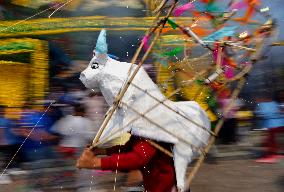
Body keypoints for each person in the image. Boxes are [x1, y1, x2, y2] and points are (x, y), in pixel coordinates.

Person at [77, 135, 180, 192]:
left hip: (166, 186)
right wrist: (101, 151)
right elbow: (128, 149)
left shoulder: (149, 131)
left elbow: (137, 158)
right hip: (153, 185)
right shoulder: (139, 131)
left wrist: (95, 162)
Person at [255, 97, 284, 163]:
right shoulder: (274, 103)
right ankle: (274, 153)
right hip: (279, 123)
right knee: (272, 139)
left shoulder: (262, 104)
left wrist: (259, 114)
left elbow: (262, 114)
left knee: (269, 140)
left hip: (272, 124)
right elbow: (279, 111)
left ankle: (271, 156)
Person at [0, 105, 21, 184]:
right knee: (6, 161)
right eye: (2, 110)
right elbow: (1, 130)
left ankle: (8, 177)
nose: (3, 111)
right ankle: (5, 179)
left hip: (10, 144)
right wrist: (2, 141)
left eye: (3, 109)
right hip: (6, 144)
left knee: (8, 161)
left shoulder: (6, 119)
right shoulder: (2, 120)